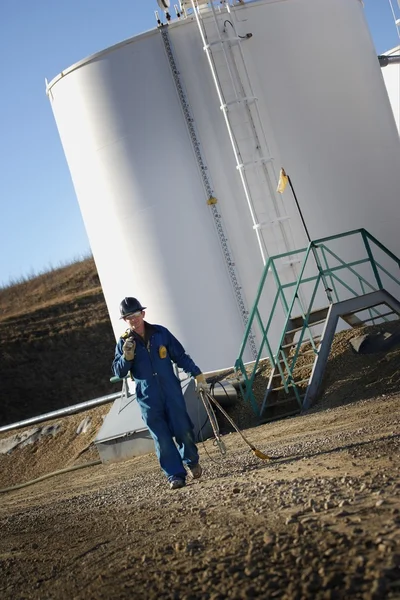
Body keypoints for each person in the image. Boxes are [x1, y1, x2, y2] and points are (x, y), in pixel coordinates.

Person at [112, 297, 208, 490]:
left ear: (143, 314)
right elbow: (118, 371)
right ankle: (175, 475)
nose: (133, 320)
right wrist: (126, 357)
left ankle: (191, 461)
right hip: (148, 399)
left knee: (183, 429)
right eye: (128, 317)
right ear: (125, 320)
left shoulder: (161, 333)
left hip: (171, 392)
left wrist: (197, 375)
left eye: (136, 315)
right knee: (162, 438)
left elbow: (180, 356)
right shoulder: (123, 342)